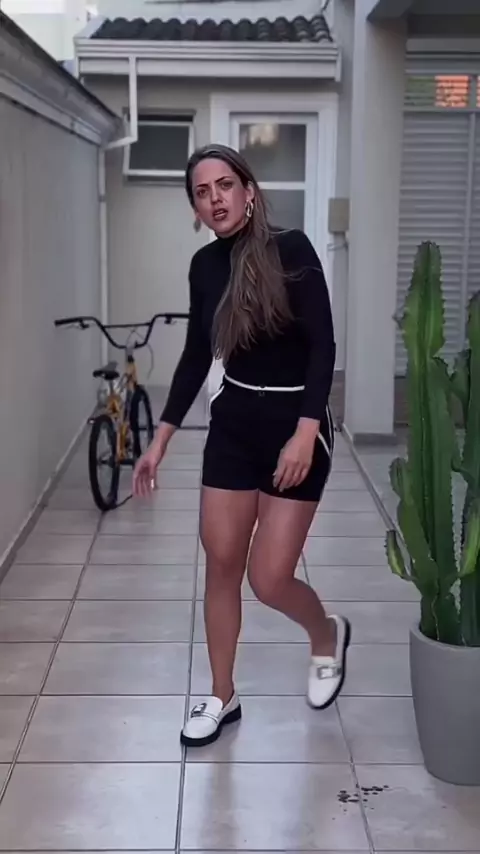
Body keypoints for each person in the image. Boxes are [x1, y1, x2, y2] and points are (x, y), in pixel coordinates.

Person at [132, 143, 351, 747]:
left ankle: (326, 635)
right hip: (233, 424)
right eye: (202, 193)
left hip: (294, 423)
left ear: (248, 191)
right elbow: (195, 355)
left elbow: (323, 346)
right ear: (195, 208)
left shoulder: (292, 250)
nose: (215, 199)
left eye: (224, 185)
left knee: (269, 579)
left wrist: (305, 431)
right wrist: (160, 441)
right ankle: (222, 695)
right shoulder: (205, 267)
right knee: (222, 566)